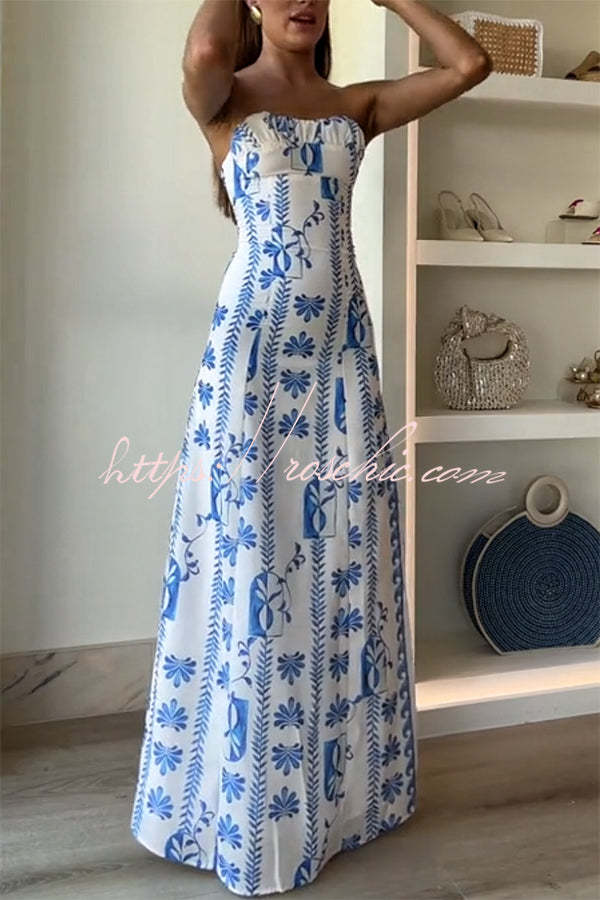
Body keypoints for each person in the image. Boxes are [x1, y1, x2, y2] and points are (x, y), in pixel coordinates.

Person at [130, 1, 491, 895]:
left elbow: (468, 65)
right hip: (252, 363)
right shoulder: (223, 97)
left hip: (340, 363)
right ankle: (252, 815)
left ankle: (344, 803)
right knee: (255, 569)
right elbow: (207, 46)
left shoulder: (353, 105)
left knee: (341, 564)